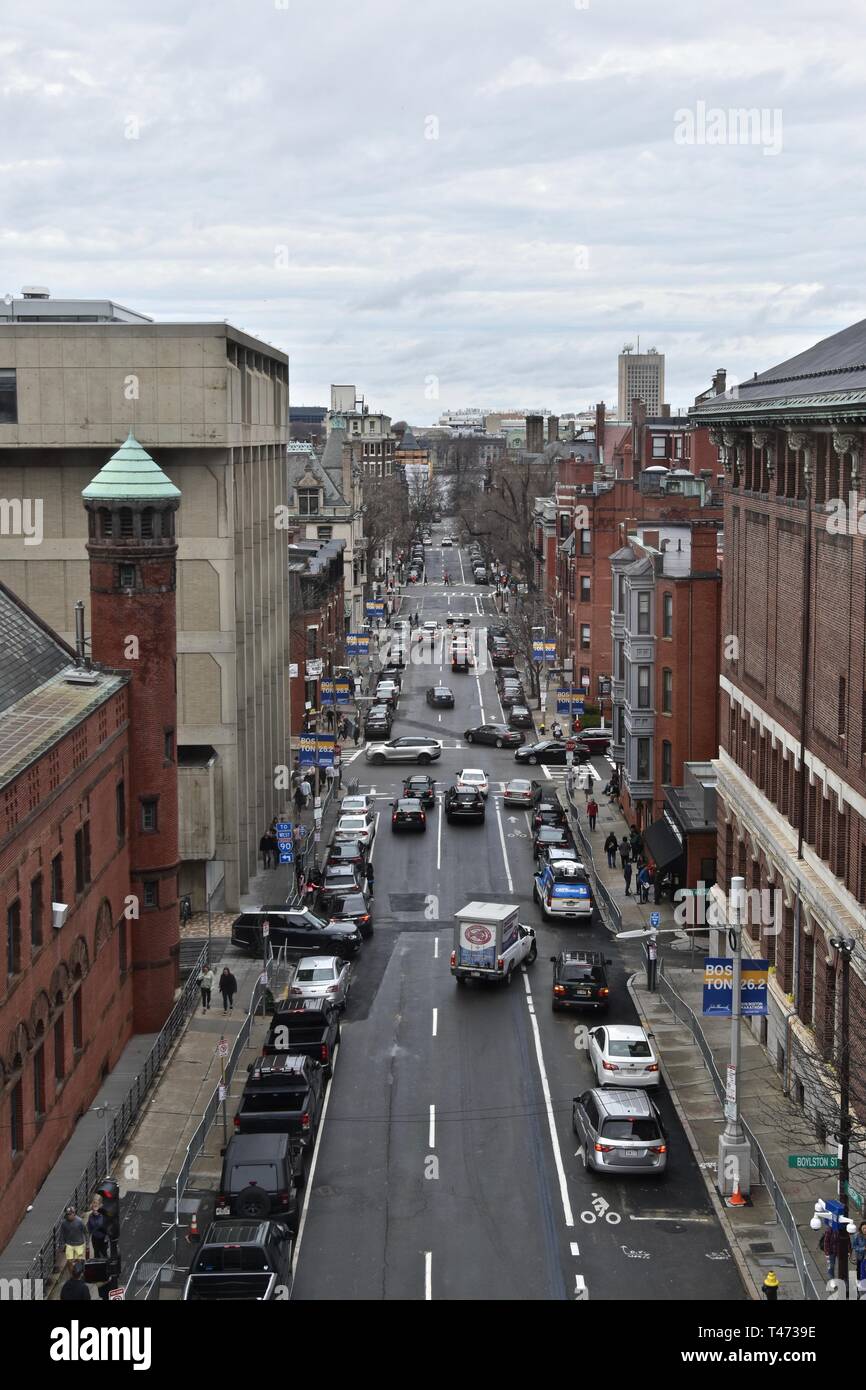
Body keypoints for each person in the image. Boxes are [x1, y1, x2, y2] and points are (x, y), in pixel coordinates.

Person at [60, 1206, 88, 1275]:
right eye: (67, 1214)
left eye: (70, 1214)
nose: (68, 1216)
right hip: (69, 1245)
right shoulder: (64, 1223)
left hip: (79, 1244)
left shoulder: (80, 1221)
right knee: (69, 1261)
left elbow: (85, 1232)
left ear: (74, 1213)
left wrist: (87, 1243)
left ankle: (80, 1274)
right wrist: (62, 1244)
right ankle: (72, 1275)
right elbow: (62, 1234)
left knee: (79, 1261)